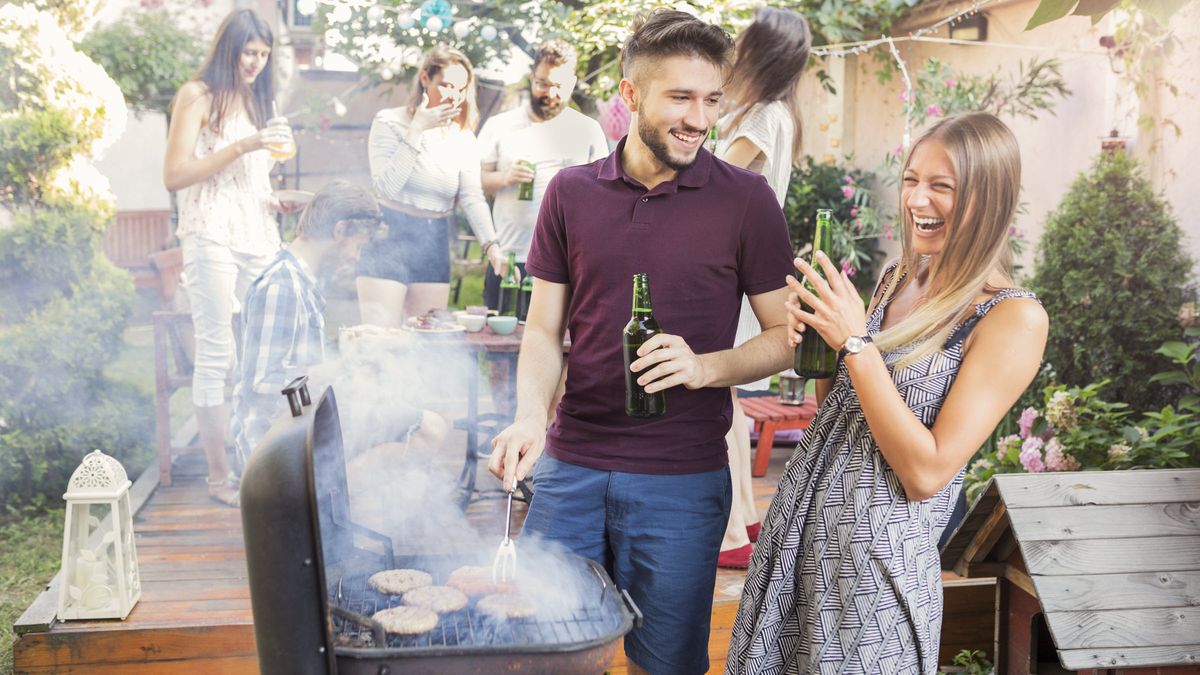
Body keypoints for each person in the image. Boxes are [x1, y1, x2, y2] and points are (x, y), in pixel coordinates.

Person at [487, 10, 795, 674]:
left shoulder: (746, 200)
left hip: (682, 483)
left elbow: (785, 338)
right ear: (630, 97)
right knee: (545, 653)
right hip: (569, 470)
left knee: (665, 665)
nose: (700, 117)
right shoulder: (569, 192)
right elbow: (544, 329)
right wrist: (528, 417)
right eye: (680, 97)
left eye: (711, 99)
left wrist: (705, 364)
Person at [726, 112, 1049, 674]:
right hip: (800, 545)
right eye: (911, 179)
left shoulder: (1012, 317)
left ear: (988, 198)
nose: (916, 199)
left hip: (872, 582)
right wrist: (824, 338)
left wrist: (856, 341)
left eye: (940, 186)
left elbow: (926, 474)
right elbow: (842, 410)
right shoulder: (901, 275)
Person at [163, 8, 297, 507]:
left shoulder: (257, 98)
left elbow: (252, 181)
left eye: (264, 55)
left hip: (257, 235)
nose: (257, 63)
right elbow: (175, 174)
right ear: (229, 48)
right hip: (211, 234)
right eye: (249, 52)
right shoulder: (196, 95)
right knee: (218, 355)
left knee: (270, 351)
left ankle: (261, 460)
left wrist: (277, 198)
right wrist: (243, 145)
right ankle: (219, 476)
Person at [230, 181, 446, 464]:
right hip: (278, 447)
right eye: (357, 245)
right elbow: (265, 384)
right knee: (428, 430)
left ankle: (340, 501)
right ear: (339, 230)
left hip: (304, 423)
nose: (355, 257)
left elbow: (297, 366)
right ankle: (323, 502)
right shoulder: (282, 286)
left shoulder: (299, 279)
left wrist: (350, 346)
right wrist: (346, 363)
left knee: (423, 420)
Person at [713, 7, 811, 569]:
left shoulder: (762, 118)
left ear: (763, 52)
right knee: (724, 401)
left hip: (734, 273)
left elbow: (710, 177)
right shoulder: (773, 112)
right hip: (747, 270)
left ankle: (728, 536)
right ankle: (745, 517)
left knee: (715, 401)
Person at [357, 46, 505, 327]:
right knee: (380, 343)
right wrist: (417, 129)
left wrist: (492, 247)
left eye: (460, 89)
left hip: (435, 239)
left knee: (427, 342)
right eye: (446, 86)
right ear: (425, 78)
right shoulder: (388, 121)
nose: (453, 96)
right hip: (388, 234)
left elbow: (472, 197)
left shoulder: (463, 139)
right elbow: (385, 187)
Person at [478, 38, 609, 309]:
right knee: (502, 344)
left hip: (565, 261)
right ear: (531, 78)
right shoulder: (500, 125)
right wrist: (504, 178)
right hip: (509, 257)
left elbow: (605, 195)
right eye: (543, 84)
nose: (550, 93)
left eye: (558, 86)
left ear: (572, 83)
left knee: (559, 347)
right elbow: (475, 184)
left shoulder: (587, 129)